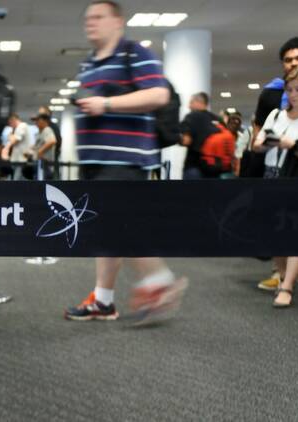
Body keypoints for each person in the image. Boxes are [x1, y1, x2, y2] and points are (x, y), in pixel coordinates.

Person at [64, 1, 186, 324]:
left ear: (118, 22)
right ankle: (103, 301)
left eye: (99, 17)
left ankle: (160, 282)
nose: (91, 23)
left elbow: (158, 95)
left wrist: (105, 103)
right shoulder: (89, 63)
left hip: (124, 159)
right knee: (107, 231)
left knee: (117, 226)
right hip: (96, 161)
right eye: (87, 18)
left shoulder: (134, 53)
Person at [250, 37, 298, 291]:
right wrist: (262, 142)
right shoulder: (272, 94)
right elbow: (257, 132)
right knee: (276, 223)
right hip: (274, 170)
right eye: (288, 59)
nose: (293, 62)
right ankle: (281, 273)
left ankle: (292, 280)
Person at [180, 92, 223, 179]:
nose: (189, 106)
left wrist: (173, 138)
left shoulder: (191, 116)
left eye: (191, 102)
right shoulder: (217, 120)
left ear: (198, 102)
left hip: (194, 168)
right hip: (214, 169)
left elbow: (186, 141)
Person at [1, 113, 33, 180]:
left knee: (17, 180)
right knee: (16, 179)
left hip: (21, 160)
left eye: (10, 123)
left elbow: (14, 140)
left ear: (13, 120)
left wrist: (6, 148)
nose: (10, 125)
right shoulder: (16, 129)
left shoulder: (22, 126)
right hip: (17, 160)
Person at [28, 113, 58, 179]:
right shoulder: (39, 132)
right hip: (39, 163)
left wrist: (40, 151)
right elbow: (37, 146)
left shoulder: (47, 130)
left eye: (38, 120)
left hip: (45, 165)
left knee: (42, 185)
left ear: (45, 121)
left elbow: (52, 141)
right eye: (35, 120)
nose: (36, 122)